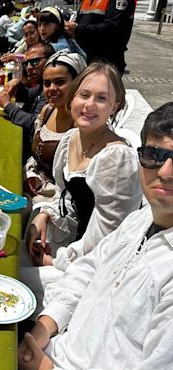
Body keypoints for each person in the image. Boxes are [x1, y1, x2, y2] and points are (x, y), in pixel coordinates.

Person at [19, 102, 173, 370]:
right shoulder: (141, 219)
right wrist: (46, 325)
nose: (165, 172)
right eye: (154, 155)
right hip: (56, 347)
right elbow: (89, 269)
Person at [21, 62, 143, 313]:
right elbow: (62, 192)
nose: (88, 105)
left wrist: (55, 260)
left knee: (14, 283)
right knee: (6, 253)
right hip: (74, 242)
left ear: (115, 106)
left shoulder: (116, 159)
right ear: (73, 97)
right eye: (84, 95)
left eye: (101, 98)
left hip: (96, 267)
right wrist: (44, 215)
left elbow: (106, 239)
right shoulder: (72, 137)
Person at [24, 51, 87, 203]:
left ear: (77, 82)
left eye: (60, 82)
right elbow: (36, 157)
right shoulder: (47, 111)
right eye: (47, 83)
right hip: (34, 188)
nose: (51, 88)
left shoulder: (81, 125)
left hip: (56, 204)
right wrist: (30, 176)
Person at [0, 42, 55, 161]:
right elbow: (29, 95)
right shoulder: (42, 85)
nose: (29, 68)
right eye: (26, 63)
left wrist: (7, 105)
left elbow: (34, 123)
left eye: (34, 62)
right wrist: (17, 85)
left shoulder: (52, 91)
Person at [65, 0, 135, 74]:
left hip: (106, 59)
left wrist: (77, 27)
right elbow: (80, 21)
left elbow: (112, 27)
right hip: (85, 56)